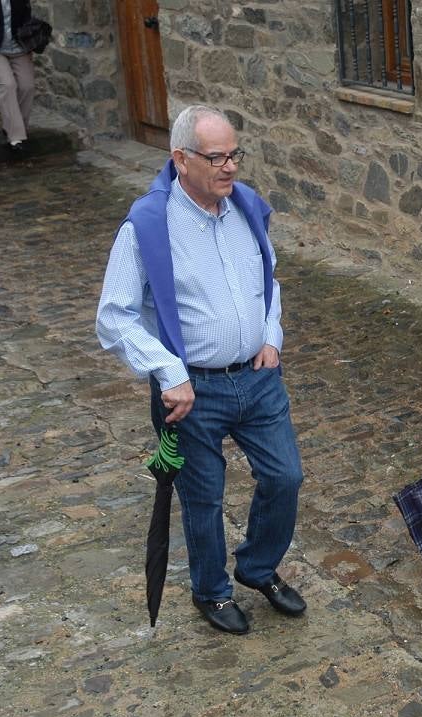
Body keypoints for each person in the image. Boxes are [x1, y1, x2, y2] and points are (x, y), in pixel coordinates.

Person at [97, 105, 306, 635]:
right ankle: (211, 592)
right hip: (192, 391)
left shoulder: (246, 208)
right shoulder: (147, 225)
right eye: (216, 157)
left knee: (286, 476)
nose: (230, 167)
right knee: (204, 497)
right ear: (180, 159)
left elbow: (270, 279)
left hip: (258, 379)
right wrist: (167, 371)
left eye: (234, 154)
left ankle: (258, 568)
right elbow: (113, 317)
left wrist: (271, 336)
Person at [0, 0, 35, 152]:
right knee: (7, 85)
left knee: (28, 86)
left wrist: (31, 42)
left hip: (18, 48)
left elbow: (27, 20)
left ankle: (17, 126)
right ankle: (16, 136)